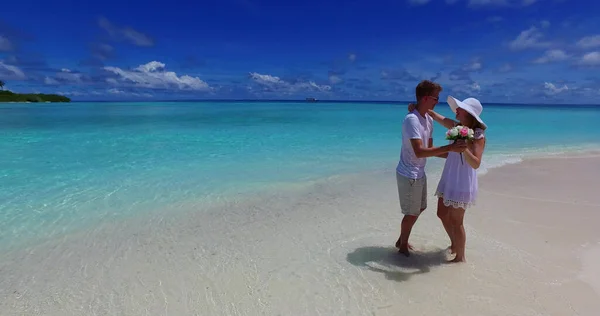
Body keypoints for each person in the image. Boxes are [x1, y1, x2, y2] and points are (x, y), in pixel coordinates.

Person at [408, 96, 487, 263]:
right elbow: (439, 118)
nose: (456, 110)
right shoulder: (457, 127)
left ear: (469, 113)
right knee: (442, 213)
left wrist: (464, 149)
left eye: (460, 108)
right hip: (450, 176)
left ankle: (460, 257)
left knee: (457, 221)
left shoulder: (478, 135)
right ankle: (454, 244)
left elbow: (476, 163)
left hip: (463, 180)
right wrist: (419, 108)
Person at [395, 81, 467, 257]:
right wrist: (450, 149)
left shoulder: (427, 119)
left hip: (419, 171)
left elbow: (430, 149)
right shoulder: (411, 119)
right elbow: (420, 152)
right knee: (411, 213)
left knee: (419, 209)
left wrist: (457, 158)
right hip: (408, 172)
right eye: (436, 98)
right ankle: (402, 245)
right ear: (426, 98)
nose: (437, 102)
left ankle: (400, 240)